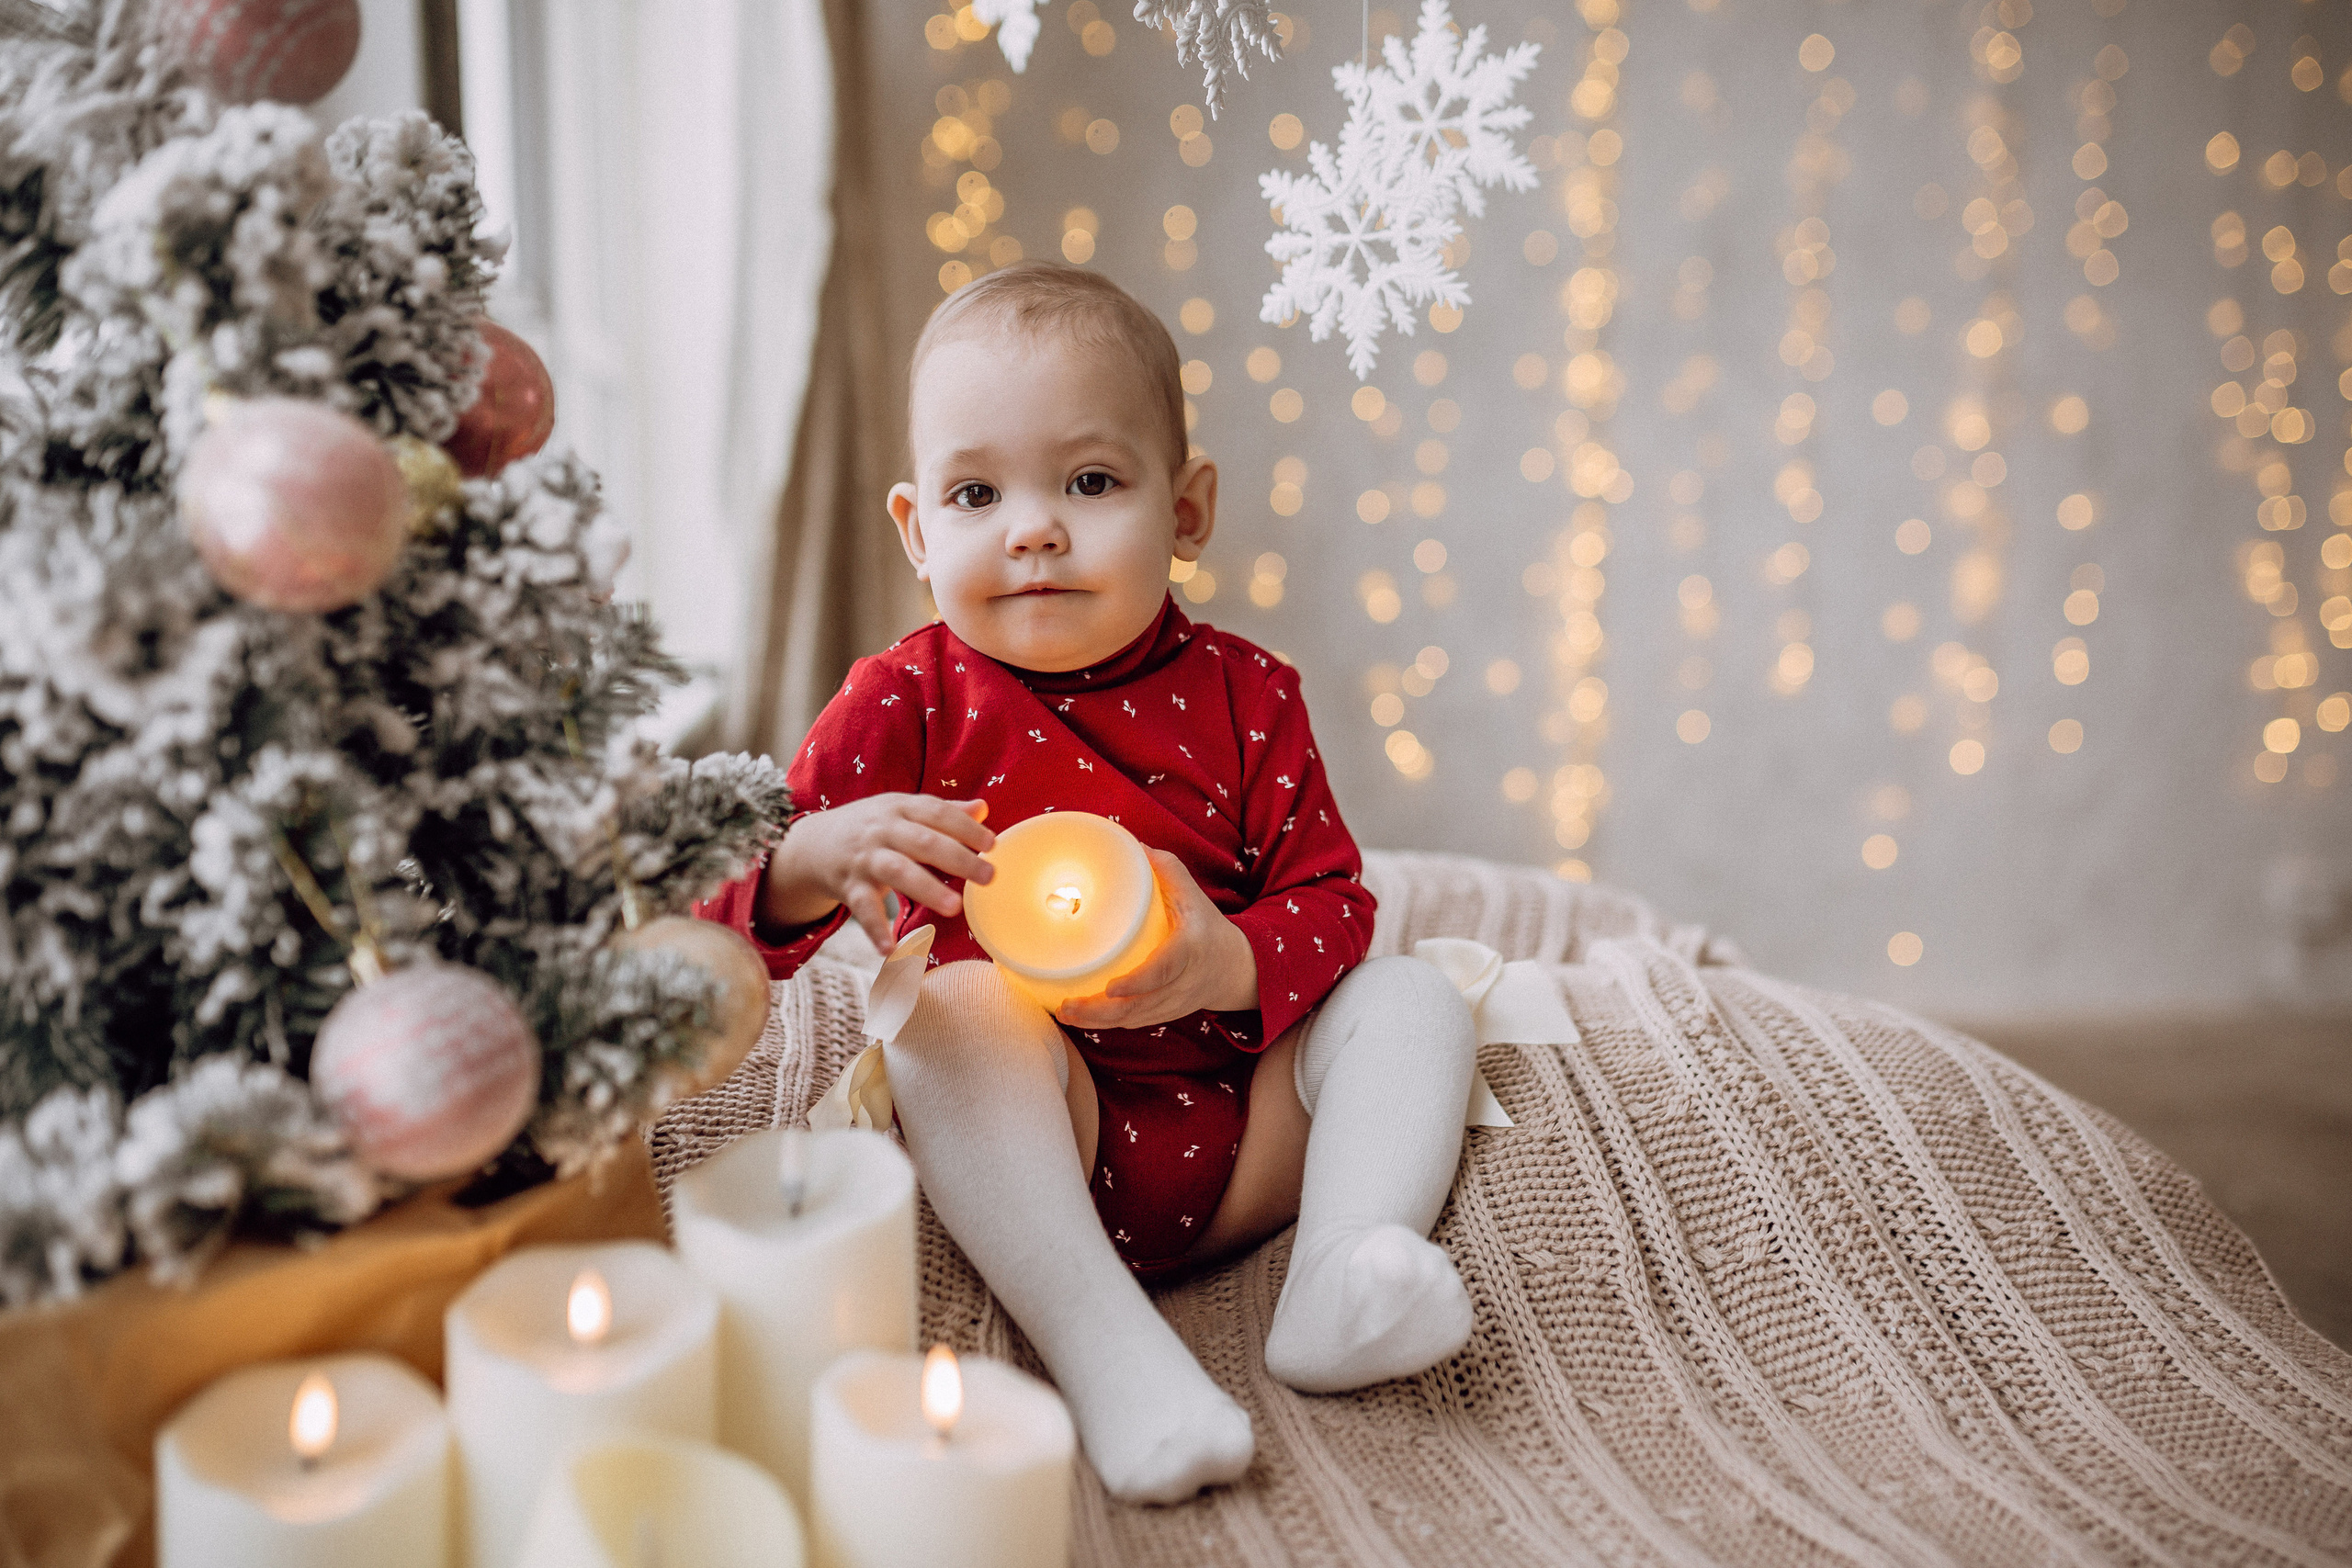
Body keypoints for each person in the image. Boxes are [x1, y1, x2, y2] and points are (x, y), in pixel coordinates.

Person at [697, 262, 1480, 1503]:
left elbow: (1337, 902)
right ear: (916, 530)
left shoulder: (1249, 694)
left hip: (1246, 1131)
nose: (1035, 527)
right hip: (1043, 1132)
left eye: (1092, 481)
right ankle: (1111, 1351)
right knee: (947, 1015)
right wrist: (806, 862)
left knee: (1416, 1003)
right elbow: (720, 902)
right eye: (976, 491)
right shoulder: (904, 700)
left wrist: (1226, 956)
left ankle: (1340, 1268)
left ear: (1187, 507)